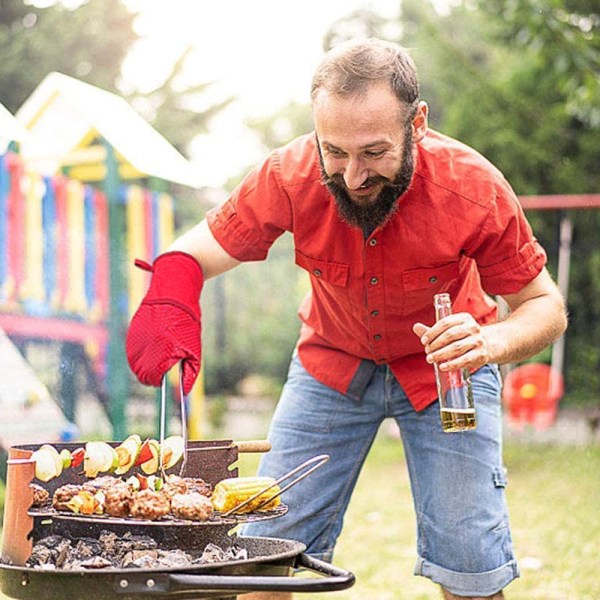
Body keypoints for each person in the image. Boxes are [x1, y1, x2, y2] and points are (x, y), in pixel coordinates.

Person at [126, 38, 567, 600]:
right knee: (262, 552)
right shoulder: (288, 174)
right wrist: (171, 290)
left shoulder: (473, 188)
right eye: (334, 151)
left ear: (418, 123)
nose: (354, 176)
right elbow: (198, 250)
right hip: (329, 368)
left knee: (470, 562)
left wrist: (489, 340)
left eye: (375, 152)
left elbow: (545, 306)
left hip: (449, 372)